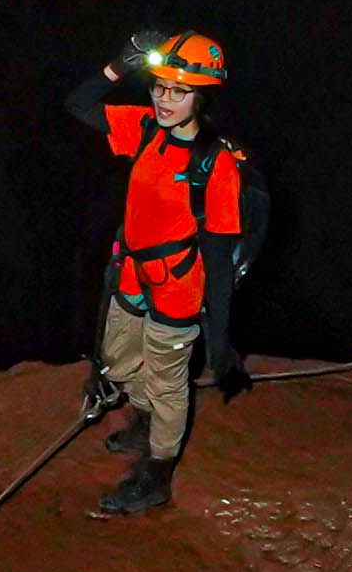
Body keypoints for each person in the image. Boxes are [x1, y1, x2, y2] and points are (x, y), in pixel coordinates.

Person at [62, 30, 261, 518]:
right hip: (130, 274)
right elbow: (78, 102)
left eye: (179, 89)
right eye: (159, 86)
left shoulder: (214, 164)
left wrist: (219, 339)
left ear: (202, 94)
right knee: (118, 357)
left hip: (178, 285)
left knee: (168, 380)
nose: (165, 98)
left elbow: (216, 258)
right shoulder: (147, 129)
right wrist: (123, 61)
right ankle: (144, 422)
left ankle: (157, 474)